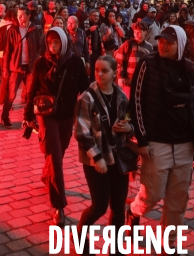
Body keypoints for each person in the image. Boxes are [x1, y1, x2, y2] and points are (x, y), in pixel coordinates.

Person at [127, 26, 194, 246]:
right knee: (151, 195)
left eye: (169, 42)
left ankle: (169, 243)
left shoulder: (190, 69)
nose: (163, 45)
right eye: (161, 41)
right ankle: (134, 211)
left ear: (180, 45)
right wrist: (142, 139)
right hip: (156, 143)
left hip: (184, 145)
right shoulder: (148, 63)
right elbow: (135, 102)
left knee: (178, 199)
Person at [23, 27, 89, 226]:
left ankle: (47, 174)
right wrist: (27, 115)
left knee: (58, 153)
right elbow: (32, 89)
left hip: (67, 116)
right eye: (50, 43)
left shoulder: (76, 63)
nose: (52, 47)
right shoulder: (41, 63)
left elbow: (85, 90)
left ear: (64, 42)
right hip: (46, 115)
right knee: (55, 157)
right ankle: (58, 205)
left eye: (56, 42)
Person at [74, 56, 132, 254]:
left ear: (115, 73)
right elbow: (81, 132)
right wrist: (97, 157)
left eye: (104, 70)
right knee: (99, 206)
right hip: (95, 160)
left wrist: (128, 127)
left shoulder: (122, 96)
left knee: (118, 206)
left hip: (118, 159)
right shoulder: (87, 97)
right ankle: (81, 233)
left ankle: (114, 248)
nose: (99, 74)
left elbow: (130, 120)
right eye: (97, 70)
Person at [1, 6, 44, 127]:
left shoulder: (35, 29)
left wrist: (36, 56)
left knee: (31, 95)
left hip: (30, 68)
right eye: (18, 15)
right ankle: (5, 116)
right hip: (16, 67)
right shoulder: (13, 29)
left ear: (28, 15)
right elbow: (7, 51)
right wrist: (5, 69)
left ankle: (30, 119)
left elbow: (40, 45)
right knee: (11, 94)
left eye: (22, 15)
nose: (19, 17)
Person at [114, 21, 152, 98]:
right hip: (128, 81)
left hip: (142, 82)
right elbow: (118, 61)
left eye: (139, 32)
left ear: (145, 32)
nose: (136, 34)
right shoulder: (127, 44)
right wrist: (120, 77)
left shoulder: (149, 47)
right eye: (135, 32)